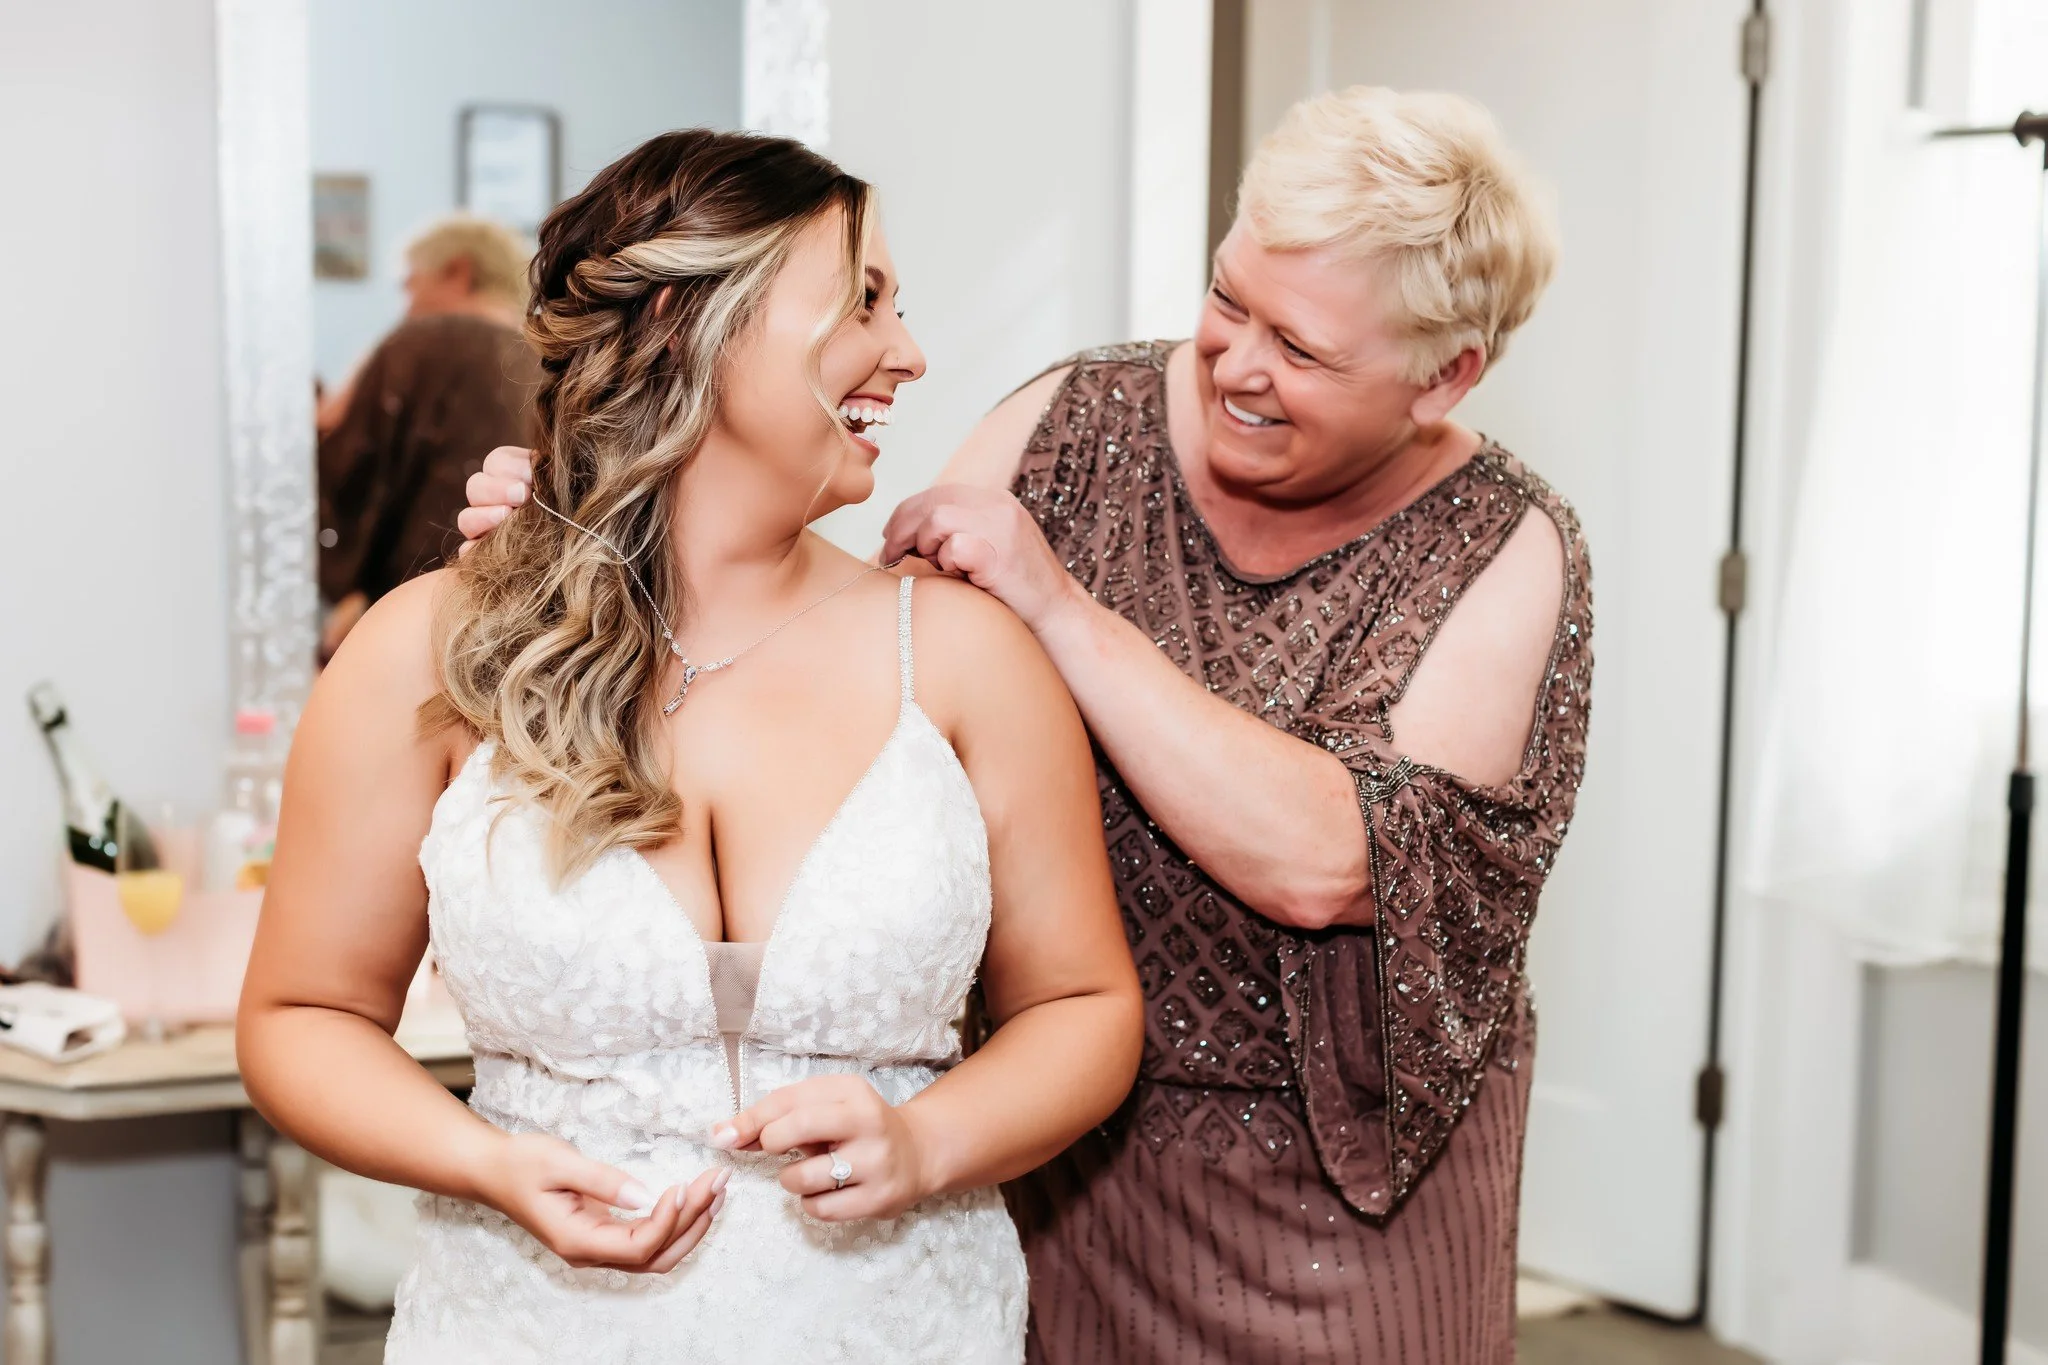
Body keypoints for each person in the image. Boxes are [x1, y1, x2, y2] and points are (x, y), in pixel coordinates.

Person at [463, 87, 1592, 1365]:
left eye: (1302, 349)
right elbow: (860, 669)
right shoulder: (1079, 419)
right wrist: (603, 539)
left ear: (1443, 376)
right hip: (1052, 1144)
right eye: (1227, 300)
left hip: (1336, 1198)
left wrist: (1062, 612)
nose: (1234, 364)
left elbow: (1328, 862)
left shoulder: (1501, 546)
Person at [238, 129, 1142, 1364]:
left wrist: (925, 1140)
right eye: (863, 300)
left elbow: (1085, 1009)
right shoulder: (431, 651)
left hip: (897, 1329)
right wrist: (485, 1162)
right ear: (684, 323)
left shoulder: (961, 654)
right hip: (527, 1329)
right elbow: (302, 1014)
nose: (908, 351)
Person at [315, 213, 543, 660]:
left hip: (421, 608)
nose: (406, 304)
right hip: (516, 614)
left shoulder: (428, 339)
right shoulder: (545, 355)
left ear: (458, 270)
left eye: (410, 284)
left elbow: (346, 466)